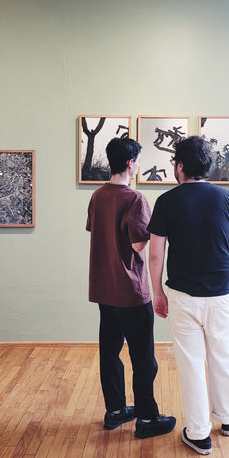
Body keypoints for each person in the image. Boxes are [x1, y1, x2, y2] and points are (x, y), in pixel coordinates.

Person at [147, 136, 229, 455]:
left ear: (180, 166)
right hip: (219, 293)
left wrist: (157, 293)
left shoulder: (166, 201)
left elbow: (155, 254)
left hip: (182, 294)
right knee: (223, 355)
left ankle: (198, 433)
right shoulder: (227, 197)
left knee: (191, 362)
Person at [86, 137, 176, 439]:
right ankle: (147, 417)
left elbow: (98, 232)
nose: (138, 166)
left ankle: (115, 411)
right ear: (130, 163)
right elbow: (138, 245)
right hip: (131, 291)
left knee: (110, 353)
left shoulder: (97, 196)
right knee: (143, 357)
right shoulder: (135, 199)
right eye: (137, 161)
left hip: (104, 288)